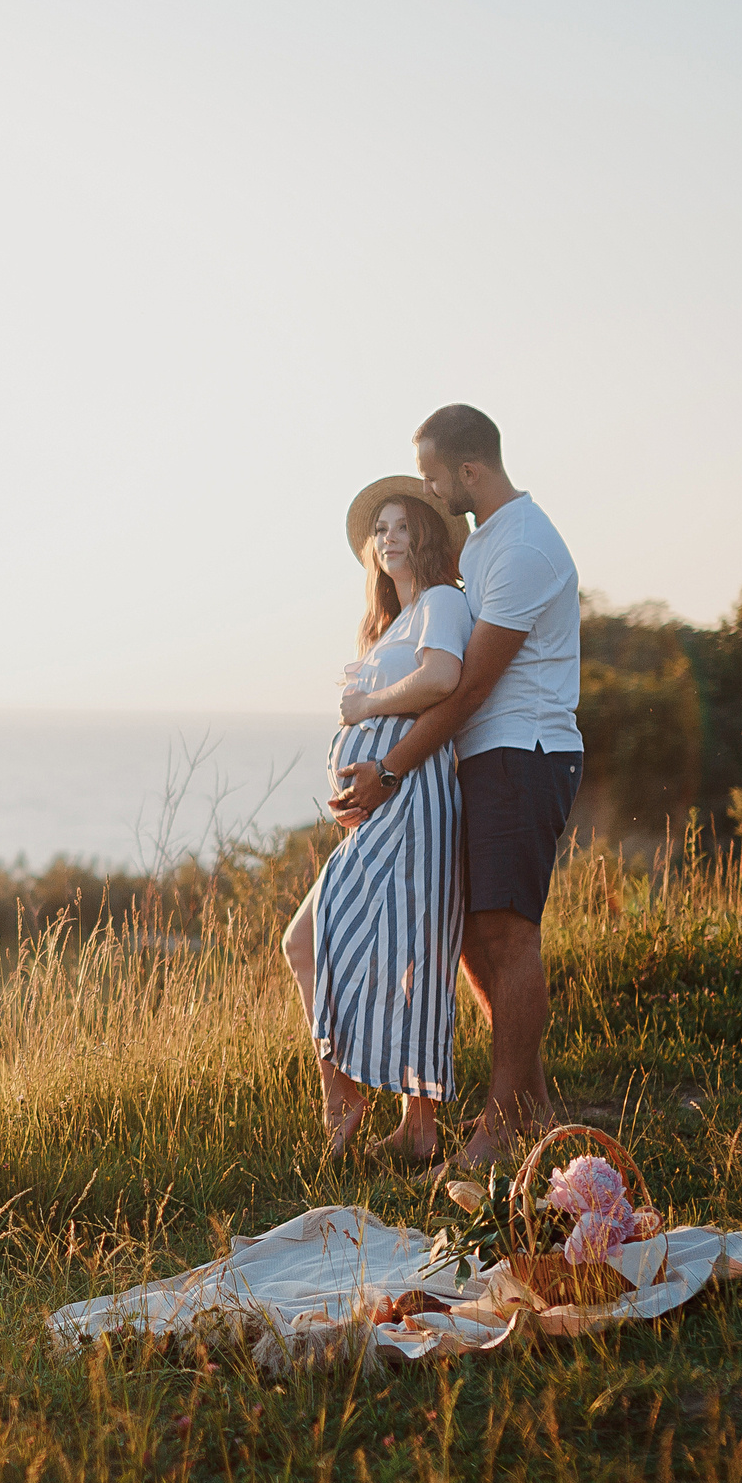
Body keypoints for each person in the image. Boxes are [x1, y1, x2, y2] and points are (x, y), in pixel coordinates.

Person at [329, 404, 583, 1169]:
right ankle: (531, 1101)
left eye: (436, 475)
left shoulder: (526, 549)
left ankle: (502, 1122)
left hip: (522, 752)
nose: (431, 490)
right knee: (473, 937)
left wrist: (394, 766)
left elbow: (468, 688)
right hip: (483, 758)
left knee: (509, 936)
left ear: (469, 471)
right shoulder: (490, 547)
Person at [281, 477, 472, 1163]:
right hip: (385, 805)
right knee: (398, 951)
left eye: (400, 525)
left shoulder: (443, 604)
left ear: (426, 535)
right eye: (379, 529)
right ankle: (414, 1128)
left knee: (320, 940)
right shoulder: (395, 621)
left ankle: (349, 1094)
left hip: (414, 797)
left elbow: (444, 678)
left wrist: (364, 714)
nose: (387, 538)